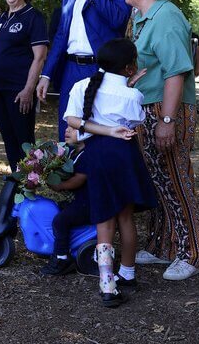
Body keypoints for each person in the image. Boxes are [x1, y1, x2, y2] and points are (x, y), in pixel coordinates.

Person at [124, 0, 199, 281]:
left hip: (167, 110)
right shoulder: (143, 17)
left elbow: (176, 73)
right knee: (158, 182)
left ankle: (193, 253)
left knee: (177, 180)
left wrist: (167, 121)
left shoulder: (167, 16)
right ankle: (164, 247)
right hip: (149, 108)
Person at [64, 38, 157, 307]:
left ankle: (108, 285)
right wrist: (129, 87)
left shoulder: (82, 86)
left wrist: (100, 127)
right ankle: (127, 272)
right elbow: (135, 120)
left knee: (104, 222)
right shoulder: (133, 95)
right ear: (130, 68)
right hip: (125, 156)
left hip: (98, 156)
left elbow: (72, 120)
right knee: (126, 218)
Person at [36, 0, 132, 140]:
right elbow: (62, 34)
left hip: (102, 70)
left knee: (98, 134)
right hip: (71, 70)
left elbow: (118, 19)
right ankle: (69, 174)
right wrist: (46, 74)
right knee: (68, 134)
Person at [0, 0, 49, 172]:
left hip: (18, 91)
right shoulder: (0, 19)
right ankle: (16, 180)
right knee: (8, 137)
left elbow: (39, 57)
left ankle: (31, 185)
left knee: (24, 140)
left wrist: (29, 89)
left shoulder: (33, 17)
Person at [39, 125, 90, 276]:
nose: (66, 130)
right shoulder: (74, 152)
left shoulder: (87, 154)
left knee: (60, 221)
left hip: (88, 203)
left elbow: (79, 179)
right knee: (56, 209)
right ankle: (57, 245)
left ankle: (62, 258)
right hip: (79, 200)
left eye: (72, 128)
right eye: (67, 127)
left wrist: (60, 186)